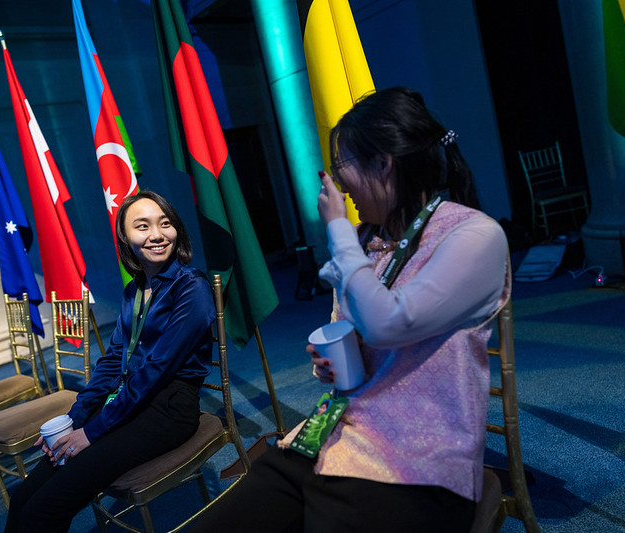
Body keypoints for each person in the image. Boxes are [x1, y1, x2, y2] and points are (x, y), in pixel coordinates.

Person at [190, 87, 510, 532]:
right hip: (336, 435)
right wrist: (334, 364)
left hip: (414, 463)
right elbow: (357, 334)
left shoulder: (474, 235)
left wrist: (339, 228)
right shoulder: (366, 241)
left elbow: (387, 323)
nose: (339, 186)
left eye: (343, 168)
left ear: (383, 163)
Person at [5, 190, 215, 532]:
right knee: (24, 497)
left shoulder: (191, 288)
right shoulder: (135, 290)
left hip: (168, 409)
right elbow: (114, 358)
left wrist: (92, 431)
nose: (157, 235)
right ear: (126, 238)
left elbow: (154, 371)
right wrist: (76, 415)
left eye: (165, 223)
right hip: (129, 401)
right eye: (142, 226)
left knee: (44, 508)